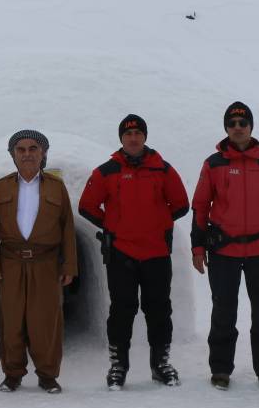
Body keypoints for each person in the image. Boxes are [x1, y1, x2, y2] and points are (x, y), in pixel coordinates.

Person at [79, 115, 189, 389]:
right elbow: (87, 206)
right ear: (121, 138)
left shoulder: (162, 169)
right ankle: (119, 365)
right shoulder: (107, 171)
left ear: (145, 136)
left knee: (159, 309)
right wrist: (113, 226)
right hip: (121, 253)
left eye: (138, 133)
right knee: (122, 310)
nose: (133, 138)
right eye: (128, 134)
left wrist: (157, 223)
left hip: (156, 253)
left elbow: (180, 204)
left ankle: (161, 363)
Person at [191, 102, 259, 393]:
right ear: (226, 127)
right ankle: (221, 369)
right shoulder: (214, 163)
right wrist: (198, 248)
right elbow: (200, 206)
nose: (238, 127)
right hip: (224, 252)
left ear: (251, 126)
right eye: (232, 123)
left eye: (243, 122)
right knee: (224, 313)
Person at [0, 130, 77, 394]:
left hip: (45, 263)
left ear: (43, 153)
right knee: (11, 320)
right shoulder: (2, 187)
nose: (27, 154)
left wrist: (69, 265)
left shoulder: (55, 187)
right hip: (11, 262)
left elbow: (67, 228)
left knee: (45, 321)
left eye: (33, 148)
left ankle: (47, 374)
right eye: (21, 149)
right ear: (13, 155)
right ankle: (12, 373)